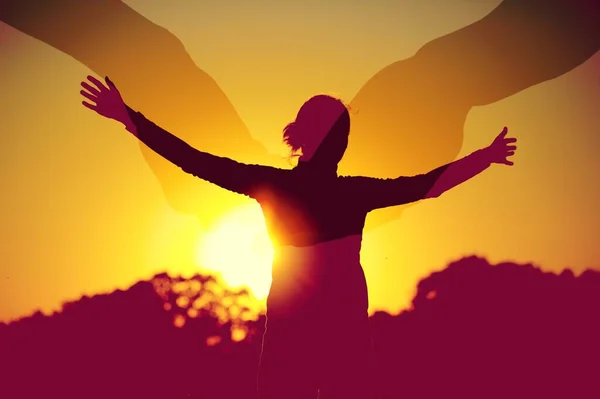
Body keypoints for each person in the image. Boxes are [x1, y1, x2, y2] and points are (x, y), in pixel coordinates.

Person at [79, 75, 517, 399]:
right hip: (314, 334)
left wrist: (128, 118)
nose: (338, 142)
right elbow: (429, 184)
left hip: (313, 334)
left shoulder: (287, 187)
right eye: (337, 132)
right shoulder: (344, 192)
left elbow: (193, 160)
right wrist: (485, 156)